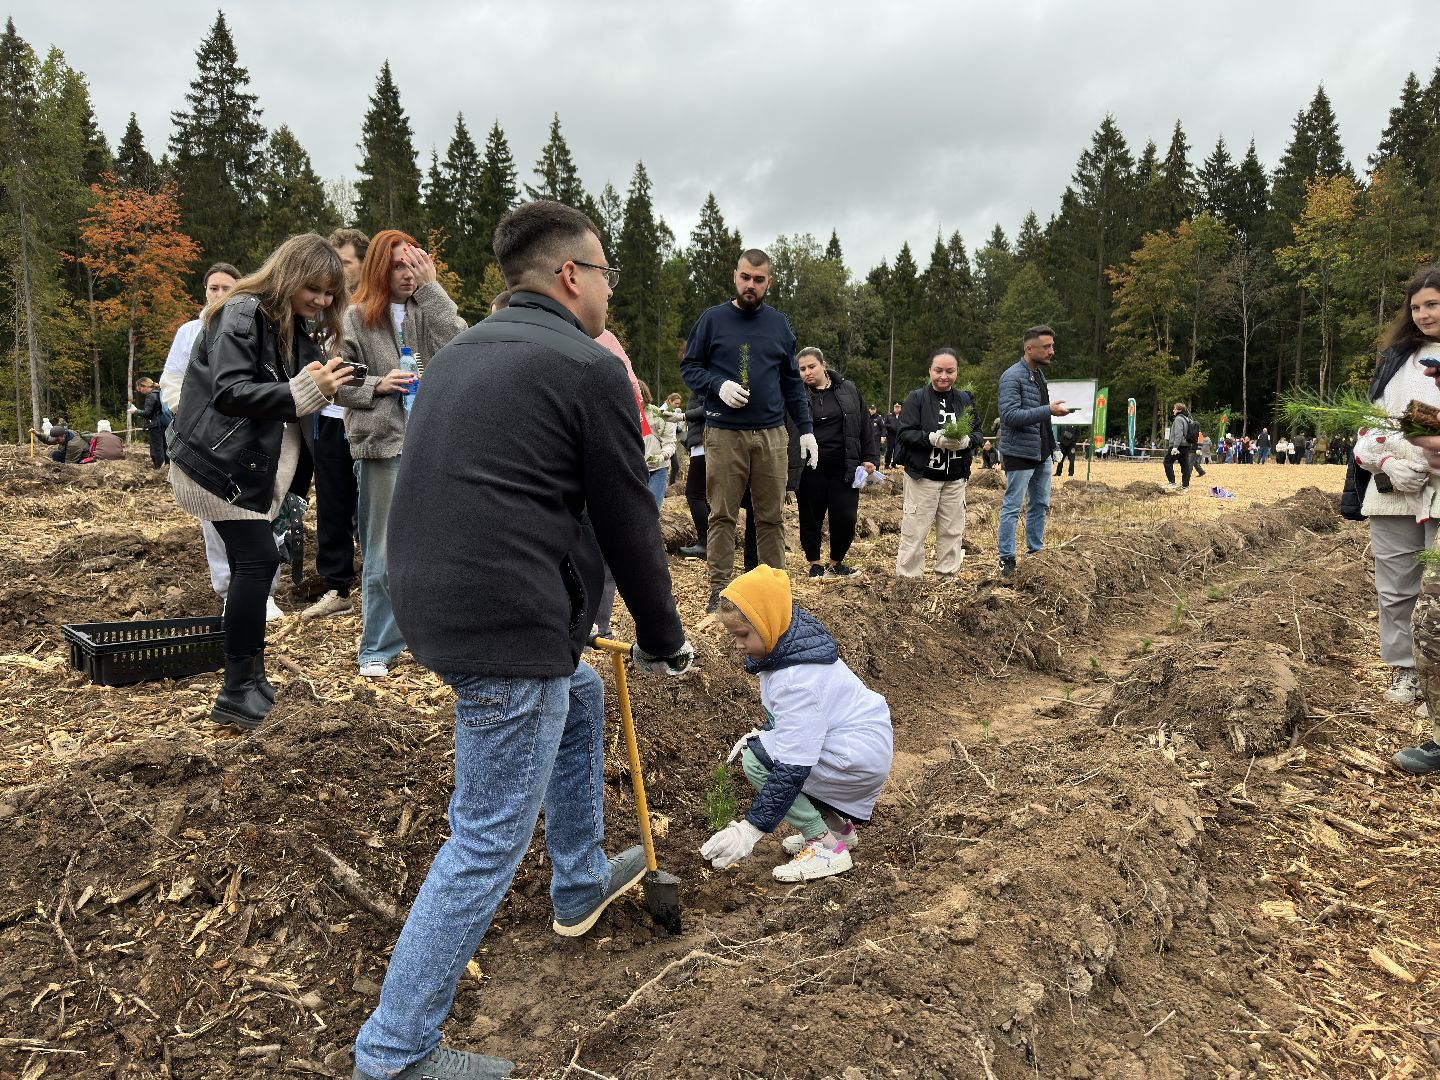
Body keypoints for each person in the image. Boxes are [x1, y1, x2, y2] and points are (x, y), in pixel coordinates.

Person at [350, 199, 694, 1080]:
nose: (610, 291)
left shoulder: (461, 353)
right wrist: (666, 640)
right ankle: (395, 1053)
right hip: (501, 618)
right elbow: (629, 525)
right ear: (571, 275)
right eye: (607, 273)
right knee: (486, 836)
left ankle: (578, 881)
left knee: (574, 691)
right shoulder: (587, 368)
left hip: (433, 601)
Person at [167, 234, 352, 731]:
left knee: (257, 563)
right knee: (257, 563)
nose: (322, 301)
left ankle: (251, 676)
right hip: (216, 466)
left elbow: (309, 395)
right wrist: (309, 387)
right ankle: (236, 689)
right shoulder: (243, 312)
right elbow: (231, 391)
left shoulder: (291, 326)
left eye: (331, 293)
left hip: (246, 470)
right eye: (313, 288)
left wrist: (354, 382)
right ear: (288, 275)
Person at [702, 566, 892, 882]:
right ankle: (837, 830)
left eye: (743, 635)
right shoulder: (788, 645)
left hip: (855, 757)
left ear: (766, 623)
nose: (738, 645)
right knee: (771, 748)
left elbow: (793, 765)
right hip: (860, 747)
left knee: (758, 761)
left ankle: (826, 847)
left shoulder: (797, 680)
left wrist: (751, 829)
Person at [335, 229, 461, 678]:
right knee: (382, 550)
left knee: (440, 547)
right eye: (398, 266)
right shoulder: (354, 319)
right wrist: (376, 385)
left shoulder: (428, 309)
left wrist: (434, 291)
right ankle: (379, 646)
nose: (407, 275)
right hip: (383, 445)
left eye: (414, 265)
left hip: (435, 445)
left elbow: (463, 348)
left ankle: (435, 638)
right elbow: (336, 384)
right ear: (378, 269)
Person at [682, 250, 816, 612]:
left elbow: (791, 381)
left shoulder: (778, 325)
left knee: (771, 515)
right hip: (725, 433)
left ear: (768, 282)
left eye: (759, 280)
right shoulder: (712, 320)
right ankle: (720, 590)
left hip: (771, 435)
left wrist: (805, 429)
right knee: (722, 513)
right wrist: (717, 385)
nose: (750, 285)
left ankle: (774, 587)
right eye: (745, 277)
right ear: (735, 276)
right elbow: (690, 367)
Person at [1353, 265, 1440, 721]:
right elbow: (1371, 427)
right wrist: (1385, 461)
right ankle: (1405, 669)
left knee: (1436, 592)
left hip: (1438, 489)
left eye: (1433, 304)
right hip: (1393, 490)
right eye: (1417, 307)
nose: (1424, 314)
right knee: (1395, 587)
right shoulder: (1397, 360)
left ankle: (1435, 679)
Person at [302, 229, 370, 621]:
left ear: (363, 264)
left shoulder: (375, 309)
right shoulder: (318, 311)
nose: (338, 272)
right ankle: (336, 586)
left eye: (344, 263)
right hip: (327, 418)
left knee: (374, 505)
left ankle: (382, 580)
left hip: (365, 418)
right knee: (332, 504)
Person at [792, 347, 878, 578]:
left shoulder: (848, 389)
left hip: (844, 465)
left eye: (812, 367)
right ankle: (815, 563)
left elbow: (865, 426)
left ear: (824, 365)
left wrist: (869, 457)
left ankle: (835, 562)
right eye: (802, 369)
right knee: (811, 515)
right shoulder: (796, 394)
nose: (807, 372)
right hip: (810, 466)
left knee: (845, 516)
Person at [895, 347, 980, 579]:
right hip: (924, 477)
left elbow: (978, 434)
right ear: (930, 370)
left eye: (950, 371)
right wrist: (931, 438)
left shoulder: (964, 399)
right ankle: (909, 579)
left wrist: (966, 441)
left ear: (957, 372)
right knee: (915, 529)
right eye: (938, 370)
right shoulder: (916, 398)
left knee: (952, 531)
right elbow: (904, 433)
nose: (944, 376)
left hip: (955, 478)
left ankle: (947, 576)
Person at [996, 326, 1069, 578]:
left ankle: (1036, 554)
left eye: (1051, 345)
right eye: (1046, 347)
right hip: (1019, 453)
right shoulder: (1012, 377)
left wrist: (1054, 446)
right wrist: (1048, 410)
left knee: (1040, 503)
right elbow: (1009, 416)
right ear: (1029, 349)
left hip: (1042, 452)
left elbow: (1043, 419)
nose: (1052, 351)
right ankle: (1007, 560)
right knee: (1013, 507)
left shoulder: (1039, 376)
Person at [640, 381, 683, 508]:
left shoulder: (658, 415)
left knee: (652, 511)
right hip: (634, 472)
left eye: (639, 395)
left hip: (657, 470)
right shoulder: (624, 416)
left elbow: (670, 443)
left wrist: (662, 456)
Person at [130, 377, 169, 467]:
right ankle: (167, 467)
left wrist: (135, 411)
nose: (140, 391)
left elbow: (147, 413)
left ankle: (159, 468)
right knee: (164, 446)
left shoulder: (151, 396)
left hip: (155, 425)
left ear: (144, 386)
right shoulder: (159, 393)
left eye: (140, 388)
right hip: (164, 423)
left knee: (156, 448)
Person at [1163, 403, 1199, 491]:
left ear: (1179, 410)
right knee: (1185, 465)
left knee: (1167, 462)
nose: (1173, 410)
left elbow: (1178, 433)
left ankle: (1172, 483)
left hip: (1178, 445)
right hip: (1187, 445)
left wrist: (1175, 447)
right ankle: (1185, 486)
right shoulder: (1188, 419)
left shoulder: (1178, 419)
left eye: (1174, 409)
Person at [882, 402, 903, 468]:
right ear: (893, 407)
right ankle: (887, 464)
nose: (897, 408)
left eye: (898, 407)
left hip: (899, 436)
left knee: (897, 450)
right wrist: (890, 426)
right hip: (891, 436)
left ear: (900, 408)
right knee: (889, 450)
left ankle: (894, 463)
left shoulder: (903, 416)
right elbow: (884, 425)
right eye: (895, 407)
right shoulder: (889, 415)